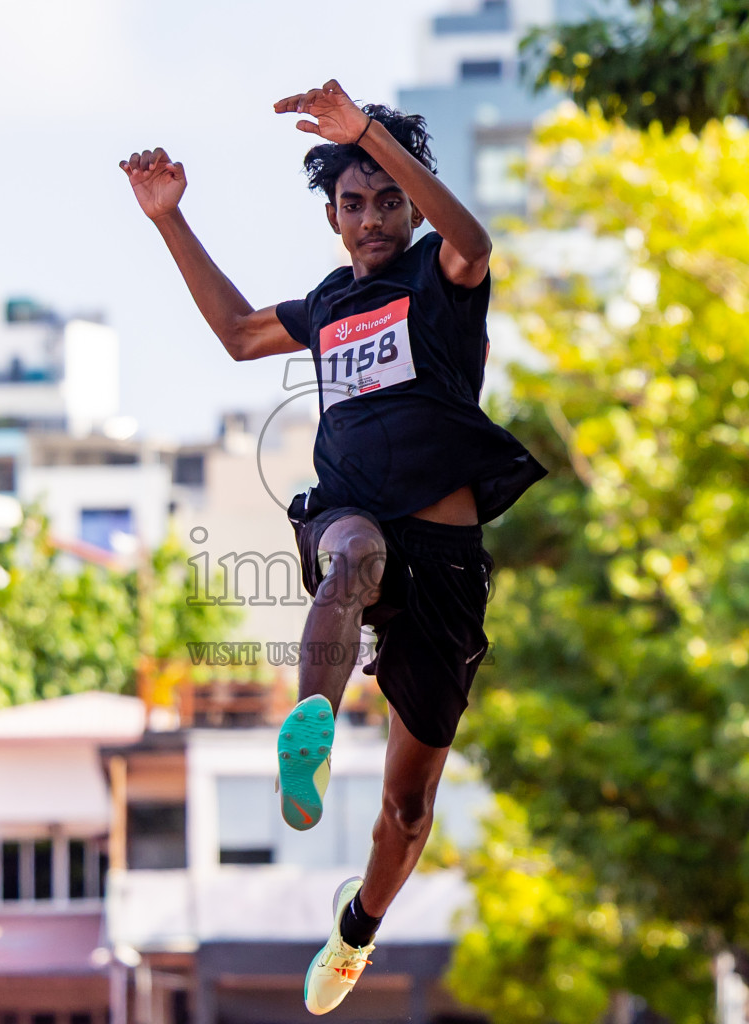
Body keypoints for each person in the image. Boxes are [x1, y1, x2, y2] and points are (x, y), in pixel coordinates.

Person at [120, 79, 546, 1015]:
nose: (372, 218)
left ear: (410, 204)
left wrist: (371, 136)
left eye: (388, 200)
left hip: (446, 562)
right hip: (354, 514)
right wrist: (169, 219)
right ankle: (306, 732)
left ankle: (355, 930)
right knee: (348, 557)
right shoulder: (325, 306)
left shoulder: (440, 276)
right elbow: (239, 334)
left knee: (408, 808)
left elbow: (476, 242)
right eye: (354, 204)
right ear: (333, 218)